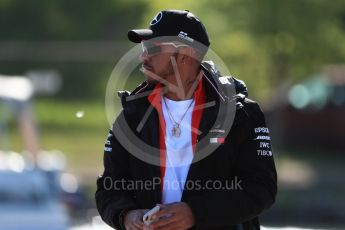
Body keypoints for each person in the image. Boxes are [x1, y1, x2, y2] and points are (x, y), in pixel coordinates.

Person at [96, 9, 277, 230]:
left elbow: (261, 189)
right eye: (143, 48)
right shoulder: (131, 116)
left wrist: (195, 213)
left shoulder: (241, 114)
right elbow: (109, 189)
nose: (143, 56)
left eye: (153, 48)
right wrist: (128, 216)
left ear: (184, 55)